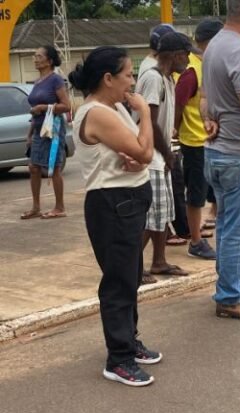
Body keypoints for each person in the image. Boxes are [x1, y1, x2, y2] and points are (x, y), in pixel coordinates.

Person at [69, 46, 160, 386]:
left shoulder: (115, 107)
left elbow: (137, 151)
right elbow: (145, 150)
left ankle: (129, 342)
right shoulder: (98, 112)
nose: (132, 82)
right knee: (119, 283)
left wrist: (138, 158)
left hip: (128, 199)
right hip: (112, 204)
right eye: (128, 75)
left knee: (130, 276)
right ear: (108, 78)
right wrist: (145, 114)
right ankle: (118, 359)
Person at [135, 32, 192, 282]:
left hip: (160, 155)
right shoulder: (153, 78)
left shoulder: (167, 79)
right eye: (186, 54)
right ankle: (131, 267)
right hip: (150, 156)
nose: (188, 60)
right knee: (151, 216)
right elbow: (150, 121)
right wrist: (167, 154)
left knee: (162, 213)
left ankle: (159, 262)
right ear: (176, 55)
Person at [201, 0, 240, 319]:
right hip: (232, 153)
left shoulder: (214, 45)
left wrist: (208, 119)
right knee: (233, 230)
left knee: (225, 224)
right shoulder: (238, 50)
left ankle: (228, 287)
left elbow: (204, 98)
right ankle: (229, 297)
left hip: (214, 151)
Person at [174, 18, 222, 261]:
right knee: (195, 195)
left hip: (208, 140)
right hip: (194, 141)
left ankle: (200, 229)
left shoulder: (206, 64)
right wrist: (175, 128)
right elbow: (179, 104)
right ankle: (195, 242)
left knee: (208, 191)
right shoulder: (191, 70)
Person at [21, 45, 71, 220]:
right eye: (34, 56)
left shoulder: (56, 80)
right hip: (38, 129)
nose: (35, 59)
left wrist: (44, 107)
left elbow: (66, 106)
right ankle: (36, 207)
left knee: (54, 167)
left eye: (39, 56)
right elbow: (34, 111)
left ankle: (60, 207)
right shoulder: (37, 82)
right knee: (33, 167)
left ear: (49, 61)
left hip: (53, 129)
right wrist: (29, 134)